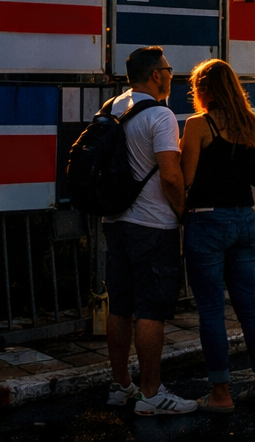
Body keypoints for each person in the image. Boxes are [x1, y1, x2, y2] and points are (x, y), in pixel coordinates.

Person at [104, 47, 197, 415]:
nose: (172, 75)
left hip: (116, 222)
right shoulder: (160, 115)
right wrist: (181, 211)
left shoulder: (113, 107)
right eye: (168, 69)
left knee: (120, 305)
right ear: (156, 75)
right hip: (152, 226)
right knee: (150, 310)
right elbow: (172, 176)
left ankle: (120, 384)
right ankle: (152, 393)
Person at [180, 60, 255, 413]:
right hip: (244, 221)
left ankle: (220, 394)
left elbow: (186, 180)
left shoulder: (198, 126)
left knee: (211, 310)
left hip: (207, 221)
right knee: (249, 304)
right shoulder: (251, 123)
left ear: (204, 90)